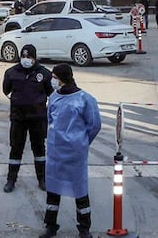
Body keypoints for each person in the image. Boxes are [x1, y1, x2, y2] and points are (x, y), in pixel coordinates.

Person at [40, 64, 101, 238]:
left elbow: (94, 124)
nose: (52, 80)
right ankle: (51, 225)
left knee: (80, 190)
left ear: (63, 78)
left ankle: (84, 228)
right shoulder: (53, 97)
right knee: (53, 190)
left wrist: (82, 142)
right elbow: (50, 119)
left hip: (75, 153)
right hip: (55, 152)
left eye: (54, 77)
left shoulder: (85, 99)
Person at [2, 43, 53, 192]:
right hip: (19, 118)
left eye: (28, 57)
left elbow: (50, 92)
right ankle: (11, 180)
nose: (25, 59)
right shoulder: (11, 72)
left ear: (34, 58)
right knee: (15, 149)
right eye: (23, 56)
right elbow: (6, 90)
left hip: (38, 118)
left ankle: (42, 179)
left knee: (39, 149)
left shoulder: (44, 73)